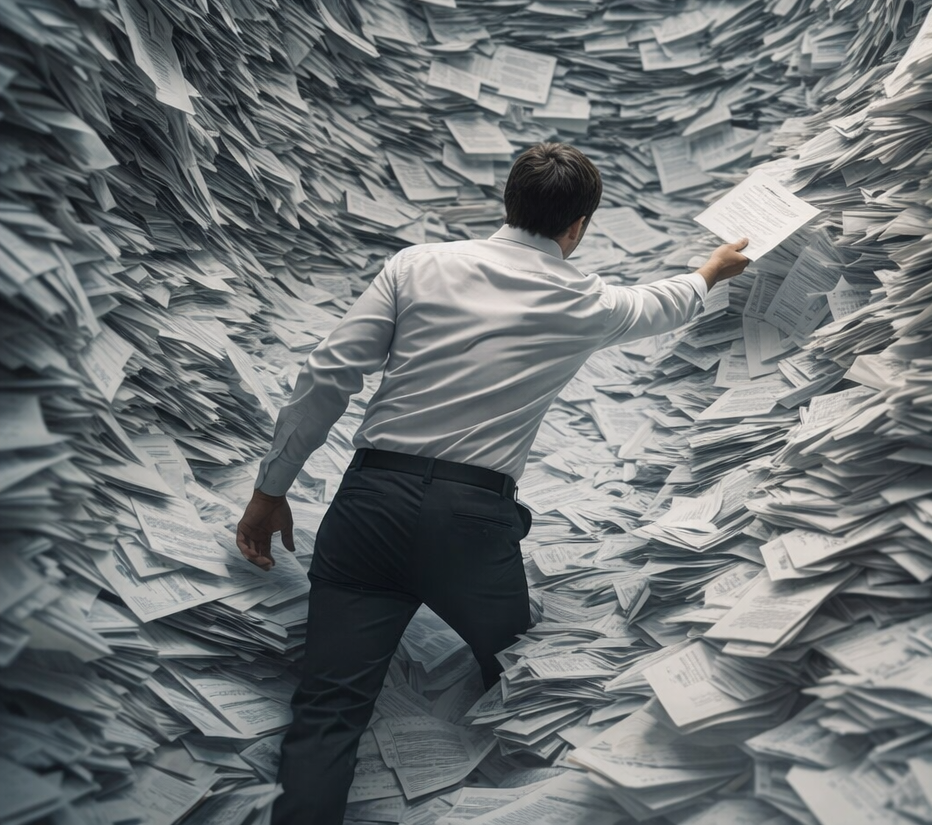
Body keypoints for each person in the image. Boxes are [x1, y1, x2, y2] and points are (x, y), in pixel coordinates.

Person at [234, 142, 750, 825]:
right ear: (578, 227)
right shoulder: (587, 302)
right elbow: (662, 302)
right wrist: (712, 271)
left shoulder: (416, 266)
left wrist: (272, 490)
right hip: (472, 525)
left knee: (328, 712)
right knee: (531, 679)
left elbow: (327, 375)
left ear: (508, 202)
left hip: (367, 508)